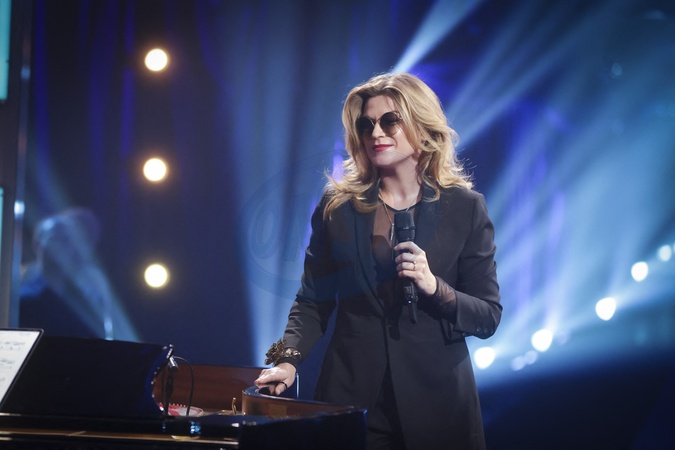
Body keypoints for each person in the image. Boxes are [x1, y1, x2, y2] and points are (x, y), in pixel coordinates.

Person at [255, 72, 502, 450]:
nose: (376, 133)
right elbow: (312, 300)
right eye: (366, 124)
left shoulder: (466, 208)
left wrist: (435, 287)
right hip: (352, 398)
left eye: (390, 121)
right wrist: (288, 361)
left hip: (439, 405)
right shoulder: (338, 207)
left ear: (422, 126)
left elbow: (487, 315)